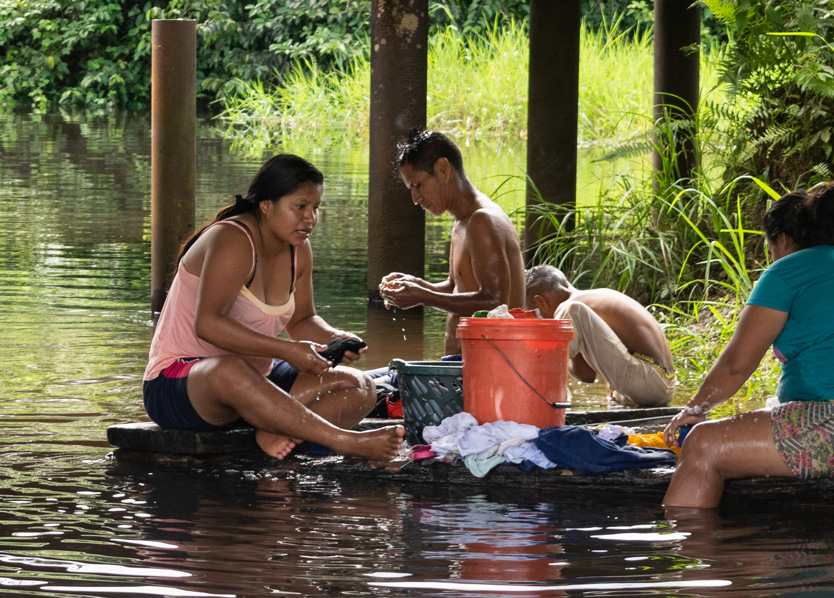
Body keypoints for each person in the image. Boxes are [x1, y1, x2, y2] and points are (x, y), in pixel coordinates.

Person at [662, 181, 834, 509]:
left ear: (781, 239)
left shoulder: (787, 271)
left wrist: (694, 410)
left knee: (703, 445)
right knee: (770, 415)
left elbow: (736, 365)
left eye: (770, 247)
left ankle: (686, 553)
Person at [142, 153, 405, 461]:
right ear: (266, 205)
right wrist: (287, 351)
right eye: (300, 207)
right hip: (182, 386)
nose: (310, 218)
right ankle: (344, 441)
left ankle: (274, 428)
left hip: (256, 381)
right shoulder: (232, 238)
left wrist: (334, 339)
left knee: (360, 386)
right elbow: (208, 324)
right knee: (230, 368)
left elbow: (303, 320)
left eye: (316, 208)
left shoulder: (299, 249)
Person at [378, 129, 527, 355]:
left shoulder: (483, 221)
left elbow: (495, 302)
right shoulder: (462, 222)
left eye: (417, 185)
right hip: (462, 366)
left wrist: (423, 297)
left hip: (494, 366)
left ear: (443, 169)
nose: (415, 199)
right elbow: (455, 287)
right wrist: (414, 286)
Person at [525, 265, 675, 408]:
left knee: (573, 310)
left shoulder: (572, 307)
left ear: (541, 302)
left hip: (646, 382)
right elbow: (586, 375)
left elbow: (576, 372)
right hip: (660, 384)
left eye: (536, 315)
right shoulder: (597, 297)